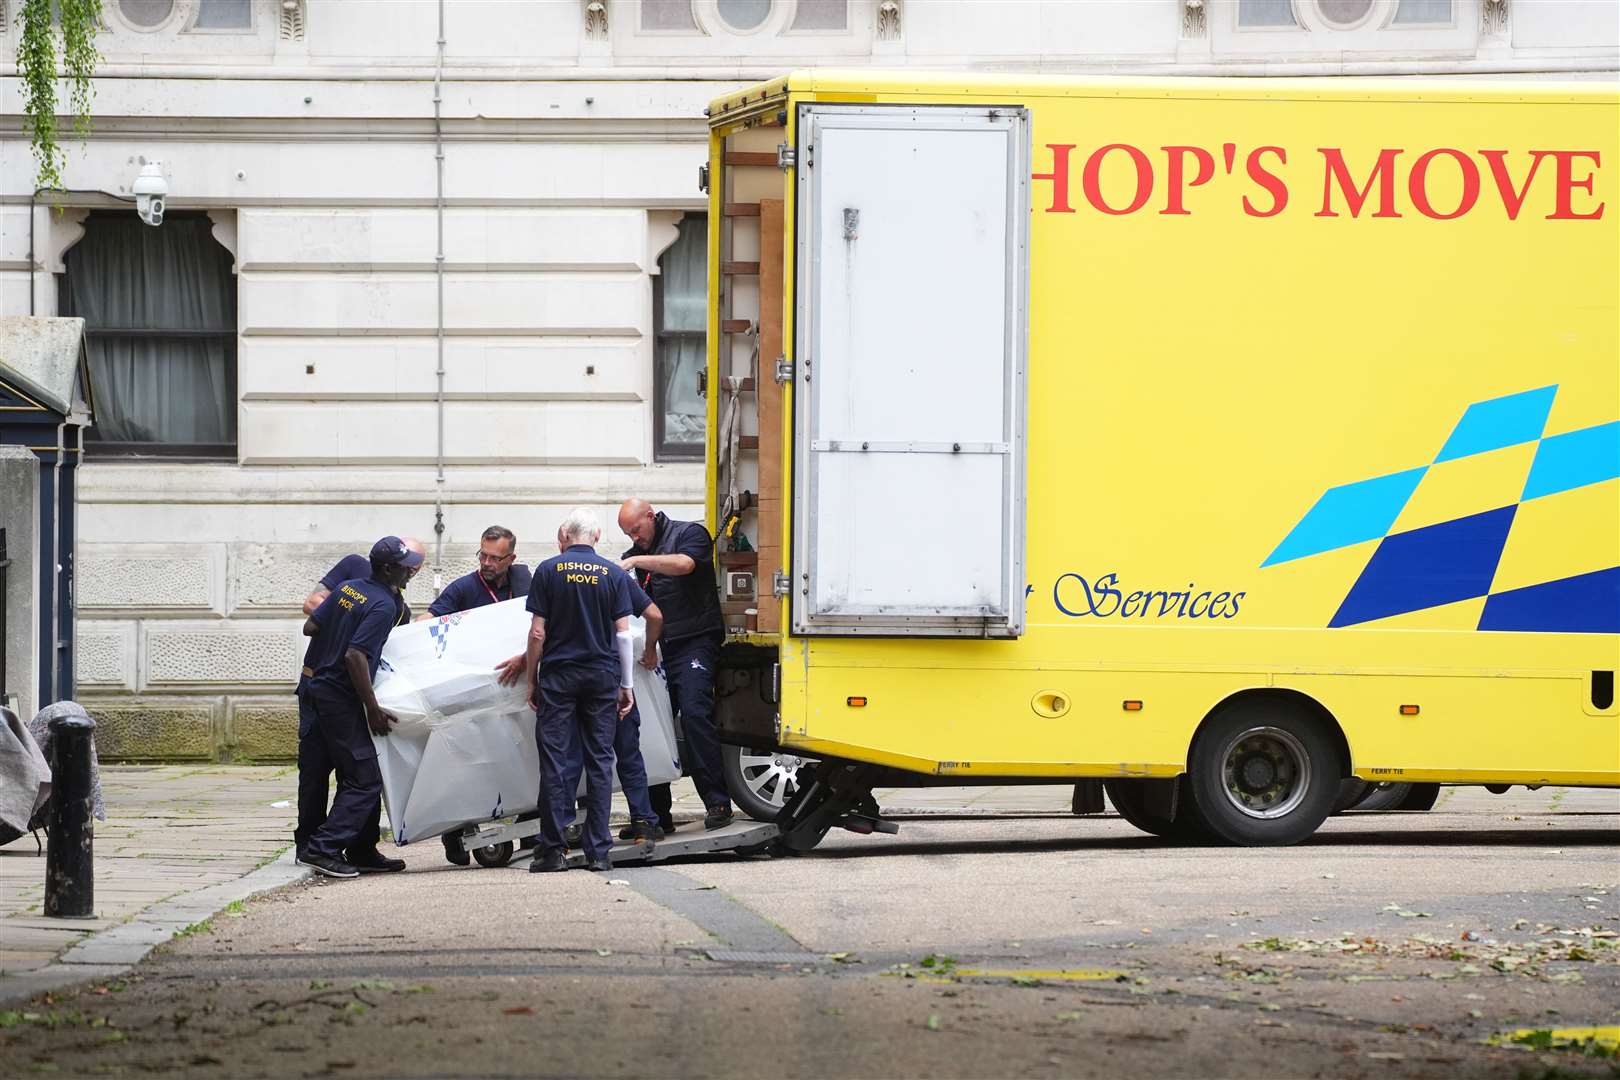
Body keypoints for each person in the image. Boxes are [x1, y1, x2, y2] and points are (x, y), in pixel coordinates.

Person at [293, 536, 421, 878]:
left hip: (316, 686)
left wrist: (342, 626)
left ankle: (358, 848)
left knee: (318, 769)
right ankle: (323, 848)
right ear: (388, 568)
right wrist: (373, 708)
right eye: (406, 566)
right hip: (340, 695)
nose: (411, 572)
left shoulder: (349, 587)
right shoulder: (382, 606)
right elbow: (355, 656)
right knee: (364, 778)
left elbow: (311, 626)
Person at [524, 509, 636, 874]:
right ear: (598, 536)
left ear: (564, 534)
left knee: (557, 761)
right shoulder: (613, 574)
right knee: (601, 760)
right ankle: (599, 852)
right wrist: (627, 685)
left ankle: (552, 851)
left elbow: (538, 632)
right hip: (602, 676)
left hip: (559, 676)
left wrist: (531, 679)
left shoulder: (547, 570)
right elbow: (623, 633)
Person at [416, 525, 534, 865]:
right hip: (477, 698)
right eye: (482, 555)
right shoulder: (465, 588)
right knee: (470, 765)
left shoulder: (525, 582)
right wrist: (415, 633)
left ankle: (530, 828)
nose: (486, 563)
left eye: (495, 558)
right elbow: (432, 618)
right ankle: (456, 835)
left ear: (511, 558)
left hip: (520, 687)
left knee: (524, 758)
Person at [617, 498, 733, 832]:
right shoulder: (631, 559)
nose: (634, 538)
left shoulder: (690, 534)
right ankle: (656, 816)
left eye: (636, 530)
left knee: (695, 715)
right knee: (652, 726)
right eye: (628, 534)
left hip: (695, 640)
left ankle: (717, 802)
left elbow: (684, 565)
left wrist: (639, 559)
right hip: (657, 648)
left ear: (651, 516)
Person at [305, 536, 426, 624]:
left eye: (413, 569)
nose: (408, 573)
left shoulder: (400, 610)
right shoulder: (353, 565)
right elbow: (311, 603)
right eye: (405, 564)